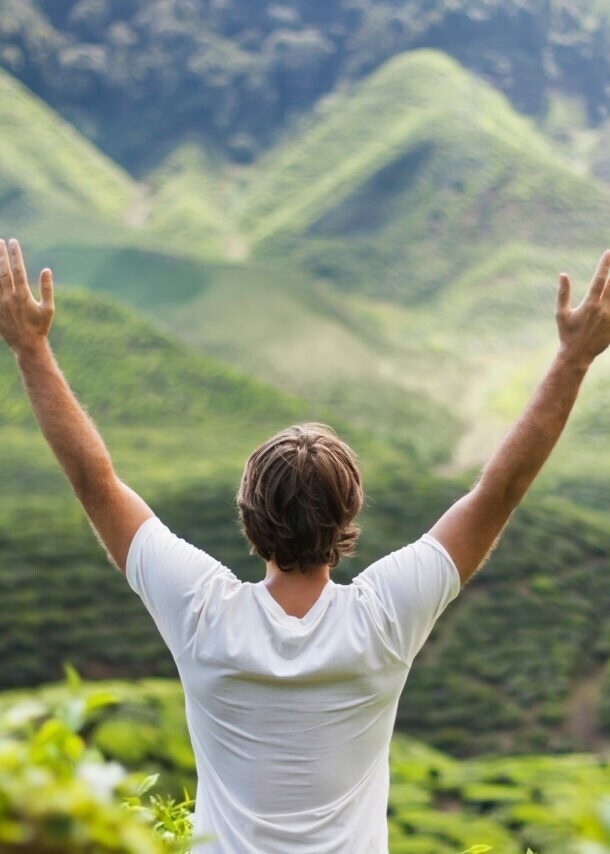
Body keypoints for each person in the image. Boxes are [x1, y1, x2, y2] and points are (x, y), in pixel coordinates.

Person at [1, 237, 609, 853]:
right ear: (349, 517)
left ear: (247, 515)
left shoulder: (204, 614)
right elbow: (497, 492)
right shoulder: (383, 618)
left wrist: (30, 348)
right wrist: (574, 360)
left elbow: (95, 482)